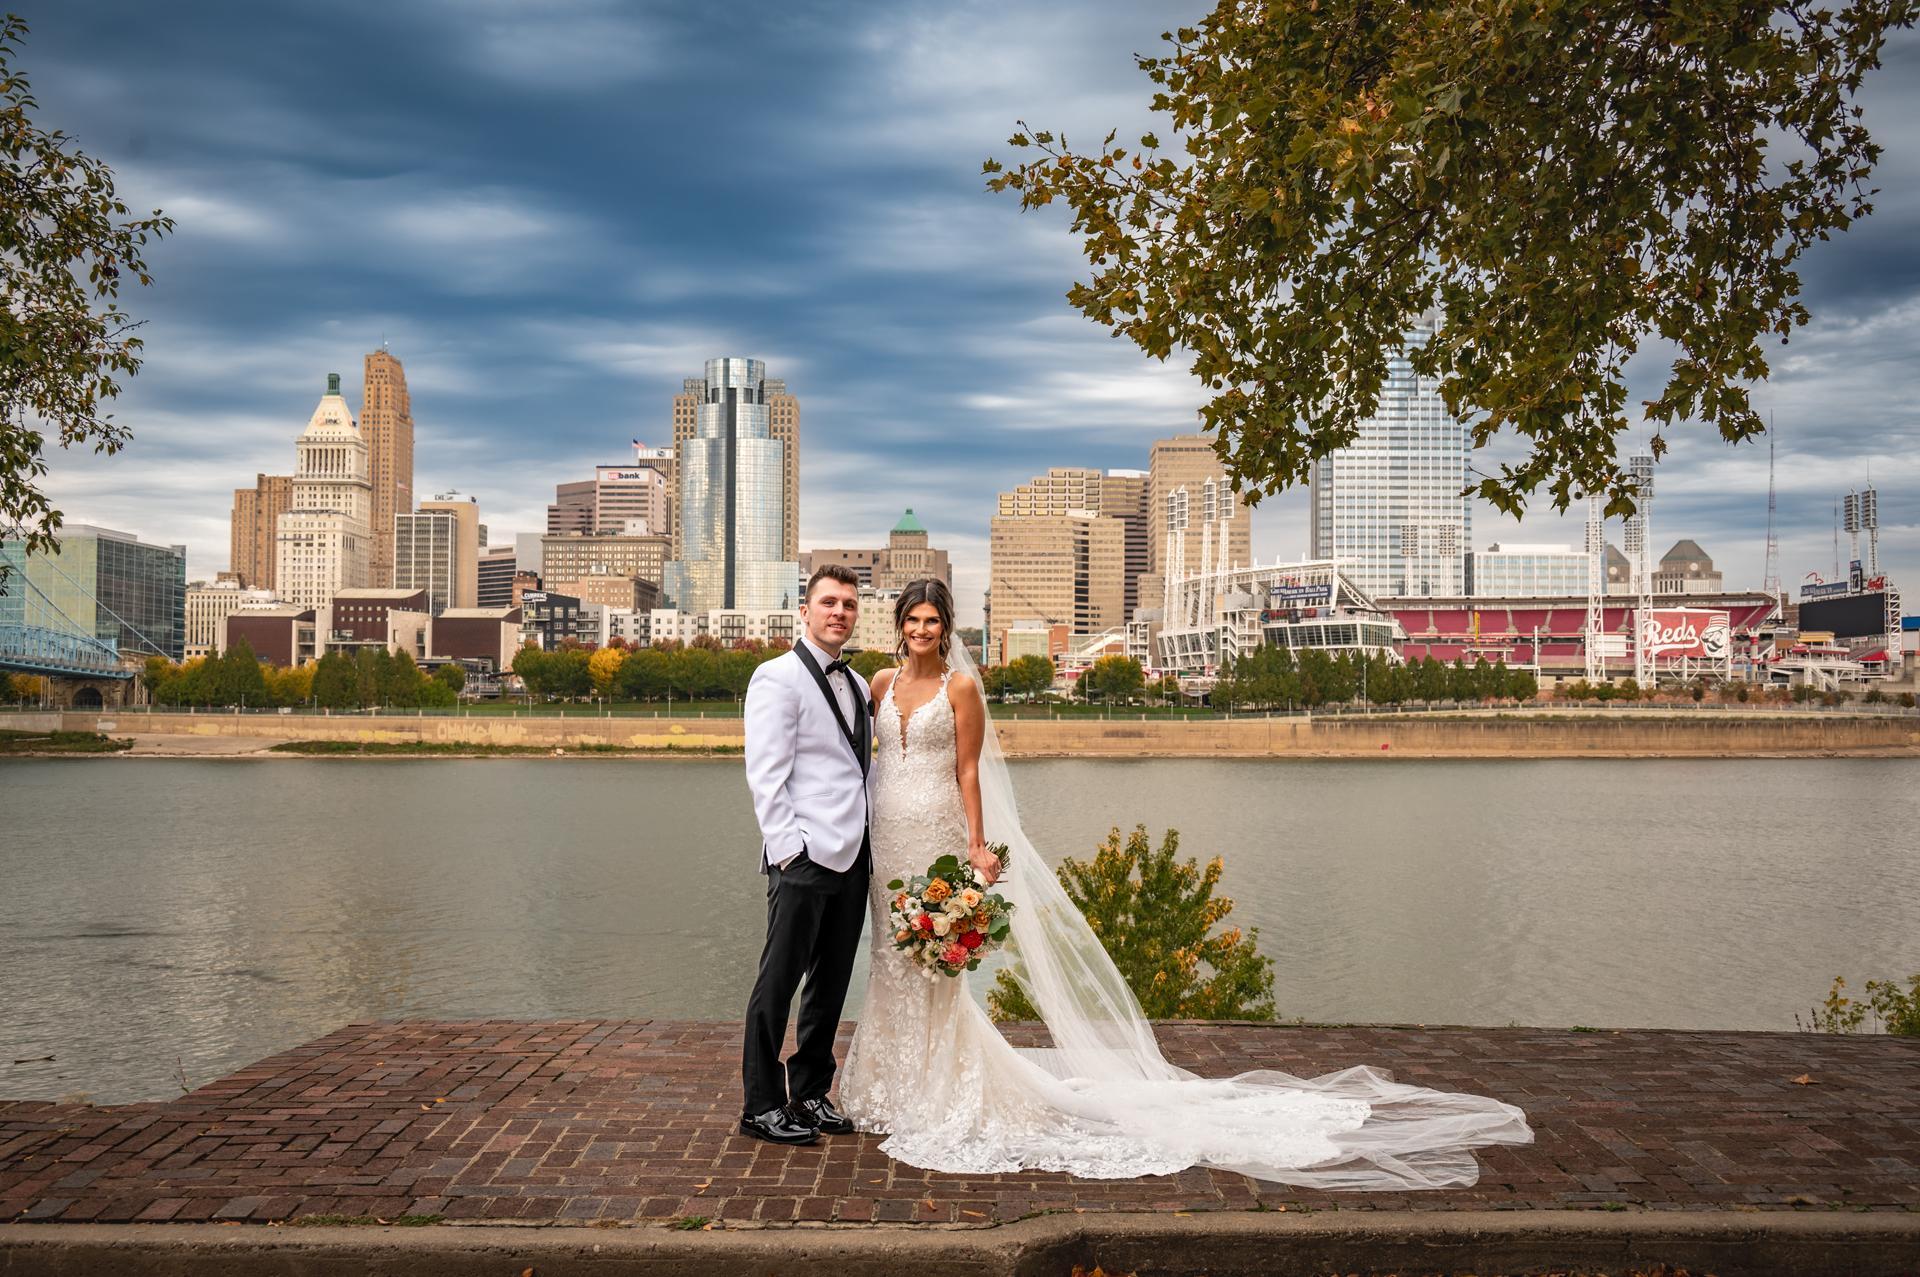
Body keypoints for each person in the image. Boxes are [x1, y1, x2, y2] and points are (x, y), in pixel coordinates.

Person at [837, 578, 1534, 1186]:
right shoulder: (879, 684)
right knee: (891, 958)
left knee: (938, 963)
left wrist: (977, 843)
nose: (921, 630)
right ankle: (889, 1084)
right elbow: (870, 759)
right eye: (912, 620)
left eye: (932, 621)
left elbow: (967, 770)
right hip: (887, 837)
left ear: (946, 628)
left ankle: (935, 1089)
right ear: (898, 625)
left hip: (937, 835)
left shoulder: (961, 688)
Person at [738, 564, 871, 1145]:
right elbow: (765, 774)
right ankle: (761, 1105)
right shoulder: (776, 676)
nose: (839, 612)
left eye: (848, 604)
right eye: (829, 602)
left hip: (855, 854)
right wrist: (789, 852)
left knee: (831, 981)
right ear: (805, 610)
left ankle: (811, 1093)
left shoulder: (859, 684)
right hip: (804, 855)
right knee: (778, 982)